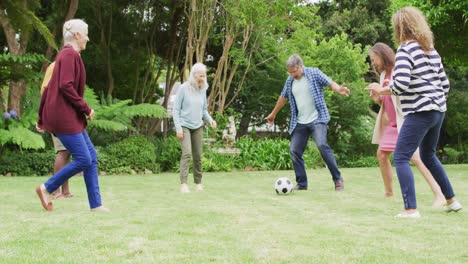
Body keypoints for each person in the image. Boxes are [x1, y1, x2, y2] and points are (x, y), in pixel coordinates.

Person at [366, 7, 462, 218]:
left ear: (399, 28)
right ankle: (451, 200)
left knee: (400, 156)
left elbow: (400, 85)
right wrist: (434, 100)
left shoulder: (405, 50)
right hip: (438, 110)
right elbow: (445, 85)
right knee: (428, 155)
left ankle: (410, 209)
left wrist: (380, 89)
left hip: (419, 111)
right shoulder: (431, 50)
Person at [35, 19, 109, 212]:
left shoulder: (68, 55)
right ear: (76, 35)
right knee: (84, 159)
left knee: (91, 157)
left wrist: (41, 117)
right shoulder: (69, 55)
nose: (88, 38)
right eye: (85, 33)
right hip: (64, 117)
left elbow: (50, 87)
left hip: (69, 117)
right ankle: (47, 188)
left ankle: (96, 205)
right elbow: (64, 86)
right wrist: (86, 108)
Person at [368, 42, 445, 207]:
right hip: (391, 123)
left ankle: (439, 194)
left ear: (383, 55)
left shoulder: (400, 69)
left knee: (416, 158)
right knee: (382, 155)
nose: (373, 63)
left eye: (374, 59)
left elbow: (402, 91)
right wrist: (378, 99)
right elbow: (388, 99)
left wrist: (382, 90)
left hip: (406, 120)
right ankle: (389, 193)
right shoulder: (382, 75)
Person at [265, 54, 349, 191]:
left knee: (322, 145)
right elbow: (283, 97)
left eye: (294, 71)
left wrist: (339, 89)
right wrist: (273, 114)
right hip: (300, 122)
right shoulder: (290, 81)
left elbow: (330, 82)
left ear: (300, 66)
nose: (292, 75)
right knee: (294, 150)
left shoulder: (314, 73)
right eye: (290, 72)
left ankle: (338, 179)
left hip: (318, 118)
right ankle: (302, 183)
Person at [173, 62, 217, 193]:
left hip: (198, 126)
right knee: (187, 153)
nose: (202, 78)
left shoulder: (202, 90)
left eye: (204, 76)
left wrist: (210, 120)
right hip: (184, 126)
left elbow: (204, 111)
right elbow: (175, 110)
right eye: (200, 76)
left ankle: (198, 183)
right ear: (193, 75)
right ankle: (184, 184)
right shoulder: (183, 88)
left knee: (197, 155)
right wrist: (178, 129)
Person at [41, 62, 73, 199]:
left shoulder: (65, 65)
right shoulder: (57, 66)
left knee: (68, 153)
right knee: (62, 151)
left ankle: (65, 191)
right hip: (57, 116)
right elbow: (46, 91)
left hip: (65, 116)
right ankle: (54, 190)